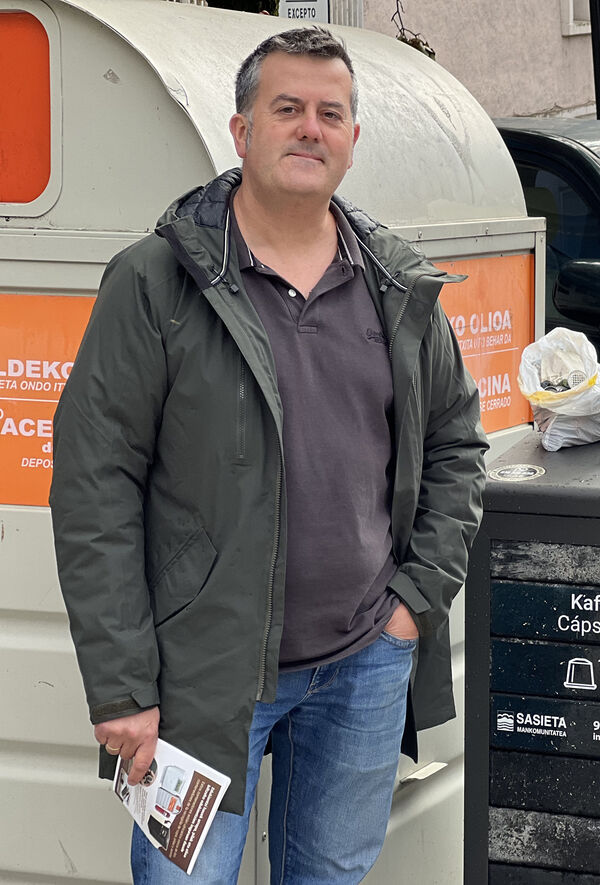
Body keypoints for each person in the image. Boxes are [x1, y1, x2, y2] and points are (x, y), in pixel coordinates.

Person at [49, 27, 488, 883]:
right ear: (241, 130)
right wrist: (122, 686)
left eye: (331, 114)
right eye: (286, 108)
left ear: (354, 142)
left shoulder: (397, 286)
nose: (309, 129)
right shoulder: (156, 282)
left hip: (364, 664)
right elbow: (94, 486)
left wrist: (410, 607)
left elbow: (455, 447)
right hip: (196, 686)